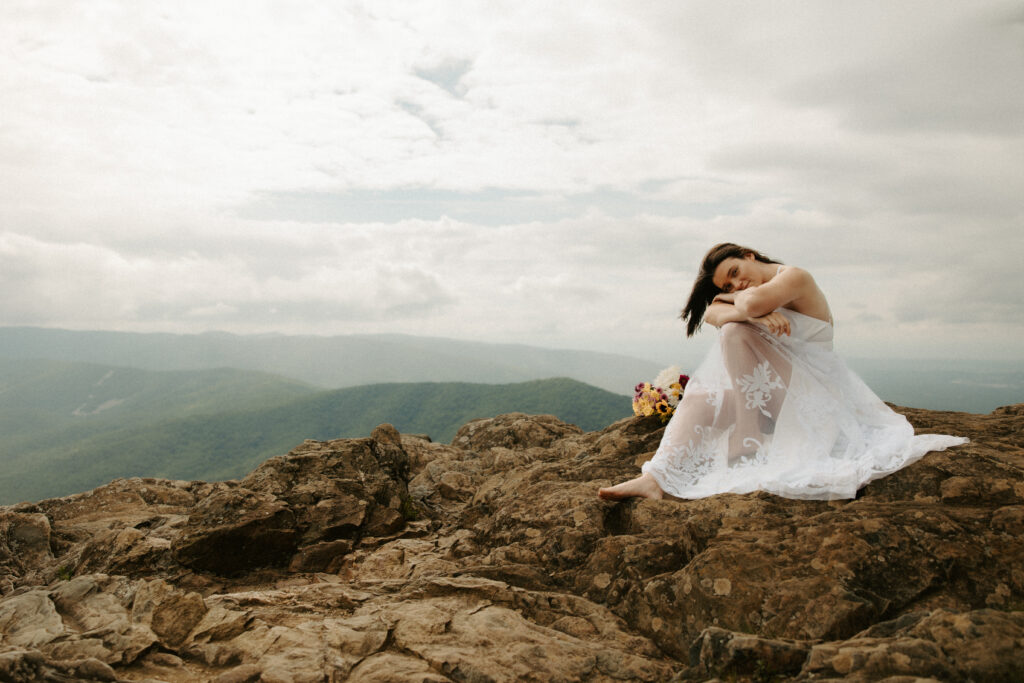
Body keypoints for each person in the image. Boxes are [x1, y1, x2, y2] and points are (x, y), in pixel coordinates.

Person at [598, 243, 967, 501]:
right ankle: (654, 478)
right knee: (701, 400)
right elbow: (711, 313)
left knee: (734, 331)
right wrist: (741, 308)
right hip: (769, 399)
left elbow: (741, 306)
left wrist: (737, 304)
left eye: (735, 273)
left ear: (749, 254)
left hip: (811, 398)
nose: (736, 284)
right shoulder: (753, 296)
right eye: (727, 286)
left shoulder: (795, 278)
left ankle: (748, 430)